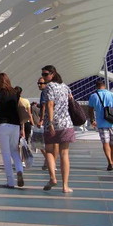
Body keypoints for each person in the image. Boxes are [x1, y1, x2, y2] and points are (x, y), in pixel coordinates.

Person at [41, 65, 75, 193]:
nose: (44, 77)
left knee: (49, 151)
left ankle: (53, 178)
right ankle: (65, 186)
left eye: (45, 75)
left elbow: (50, 104)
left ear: (53, 74)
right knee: (64, 154)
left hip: (53, 124)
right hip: (67, 123)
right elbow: (70, 100)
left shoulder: (49, 87)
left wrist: (50, 122)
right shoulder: (65, 87)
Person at [0, 72, 24, 189]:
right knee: (14, 150)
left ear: (0, 82)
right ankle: (20, 170)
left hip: (2, 124)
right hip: (15, 125)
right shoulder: (16, 93)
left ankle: (10, 181)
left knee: (5, 153)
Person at [87, 79, 113, 171]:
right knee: (112, 144)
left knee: (105, 143)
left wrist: (92, 120)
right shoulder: (112, 95)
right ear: (104, 86)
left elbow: (90, 110)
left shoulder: (93, 96)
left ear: (96, 87)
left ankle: (109, 162)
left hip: (101, 123)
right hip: (112, 123)